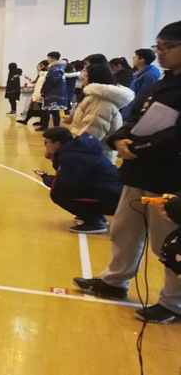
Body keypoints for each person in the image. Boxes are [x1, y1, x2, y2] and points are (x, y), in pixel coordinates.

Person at [73, 21, 181, 324]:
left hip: (168, 176)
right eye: (159, 46)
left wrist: (140, 146)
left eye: (168, 47)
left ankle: (173, 302)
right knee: (125, 230)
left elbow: (175, 134)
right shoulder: (163, 82)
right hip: (137, 171)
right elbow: (135, 116)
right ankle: (114, 281)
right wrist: (120, 139)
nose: (160, 52)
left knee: (167, 242)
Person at [37, 127, 123, 233]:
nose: (45, 145)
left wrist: (46, 178)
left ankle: (94, 222)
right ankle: (95, 216)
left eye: (46, 142)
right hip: (115, 195)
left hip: (114, 199)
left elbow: (67, 184)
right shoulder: (77, 151)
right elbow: (69, 175)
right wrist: (54, 159)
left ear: (57, 144)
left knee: (58, 193)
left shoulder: (72, 156)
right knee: (68, 189)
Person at [67, 64, 134, 161]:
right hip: (88, 153)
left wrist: (70, 149)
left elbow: (92, 135)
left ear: (95, 79)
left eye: (86, 76)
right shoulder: (94, 98)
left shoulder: (100, 102)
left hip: (94, 156)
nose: (83, 79)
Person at [124, 48, 160, 118]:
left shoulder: (149, 76)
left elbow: (143, 96)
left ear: (142, 60)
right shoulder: (139, 73)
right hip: (129, 108)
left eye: (135, 57)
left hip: (134, 113)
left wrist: (131, 111)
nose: (133, 58)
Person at [36, 52, 67, 131]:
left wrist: (43, 91)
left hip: (53, 93)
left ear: (53, 58)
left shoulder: (56, 69)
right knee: (53, 111)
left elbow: (50, 82)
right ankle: (52, 127)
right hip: (55, 92)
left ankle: (51, 127)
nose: (48, 60)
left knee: (52, 111)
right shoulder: (58, 68)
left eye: (49, 58)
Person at [17, 61, 48, 126]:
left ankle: (41, 123)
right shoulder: (40, 75)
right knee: (33, 108)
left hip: (40, 95)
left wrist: (40, 93)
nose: (37, 68)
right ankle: (26, 121)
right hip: (37, 94)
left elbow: (42, 86)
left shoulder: (45, 75)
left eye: (39, 67)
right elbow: (38, 84)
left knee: (39, 109)